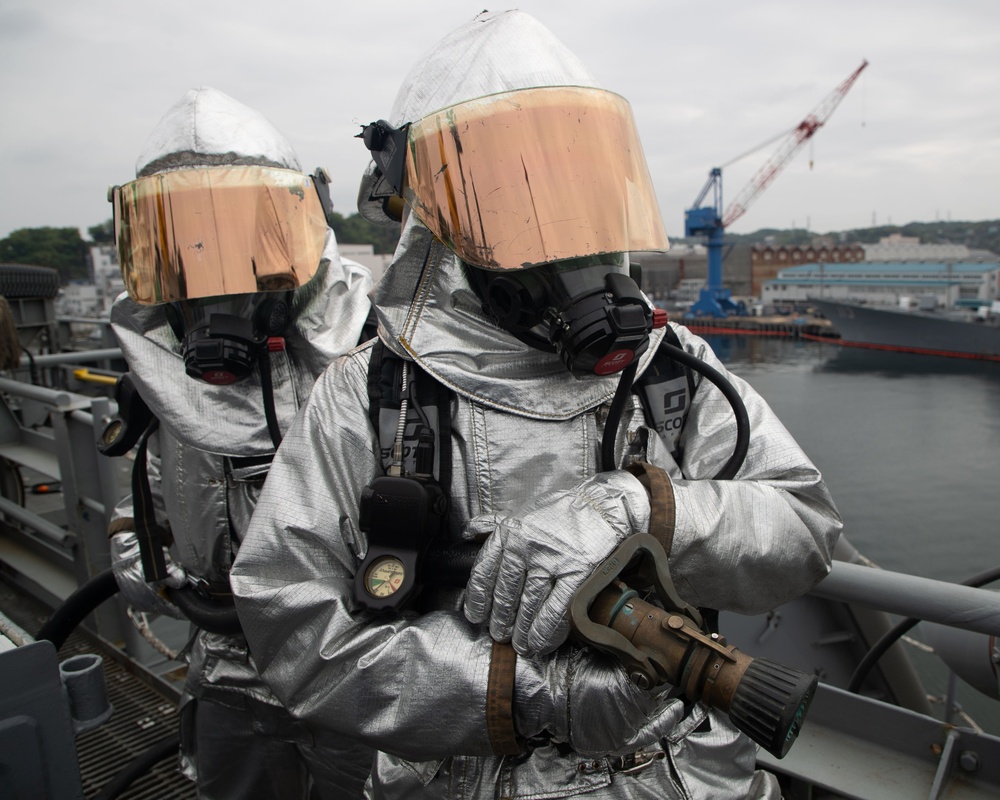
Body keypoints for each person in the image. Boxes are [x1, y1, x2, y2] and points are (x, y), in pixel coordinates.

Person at [230, 11, 843, 800]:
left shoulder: (671, 365)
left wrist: (641, 512)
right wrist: (532, 694)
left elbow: (803, 526)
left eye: (572, 183)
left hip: (686, 774)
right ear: (437, 222)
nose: (555, 228)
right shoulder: (371, 393)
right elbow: (293, 624)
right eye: (513, 199)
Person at [106, 86, 375, 799]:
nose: (217, 276)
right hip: (228, 673)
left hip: (361, 666)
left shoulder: (366, 358)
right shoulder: (161, 377)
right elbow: (151, 505)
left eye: (237, 240)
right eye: (194, 244)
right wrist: (144, 552)